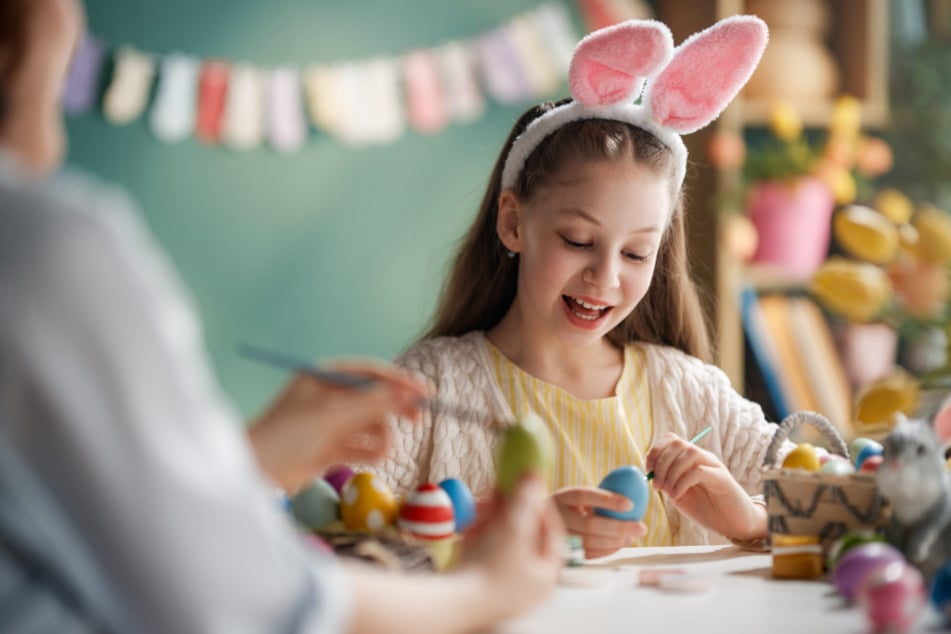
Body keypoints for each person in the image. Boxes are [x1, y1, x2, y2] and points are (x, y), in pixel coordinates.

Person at [0, 0, 564, 632]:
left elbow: (95, 536)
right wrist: (484, 592)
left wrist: (252, 460)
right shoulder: (42, 250)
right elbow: (252, 609)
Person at [372, 16, 793, 558]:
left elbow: (837, 507)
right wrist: (511, 529)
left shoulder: (692, 394)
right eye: (576, 240)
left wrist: (750, 519)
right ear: (514, 223)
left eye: (637, 252)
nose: (605, 277)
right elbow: (334, 541)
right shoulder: (425, 391)